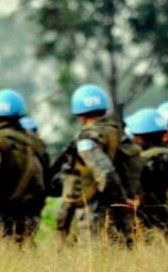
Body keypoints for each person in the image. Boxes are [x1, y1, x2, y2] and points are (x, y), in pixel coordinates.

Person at [54, 84, 129, 240]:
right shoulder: (119, 134)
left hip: (94, 209)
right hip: (120, 208)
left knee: (94, 261)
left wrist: (120, 202)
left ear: (79, 114)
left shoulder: (87, 138)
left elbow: (105, 173)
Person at [0, 88, 49, 238]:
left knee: (2, 254)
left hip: (3, 211)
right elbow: (47, 175)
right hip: (32, 209)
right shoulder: (37, 142)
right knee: (26, 247)